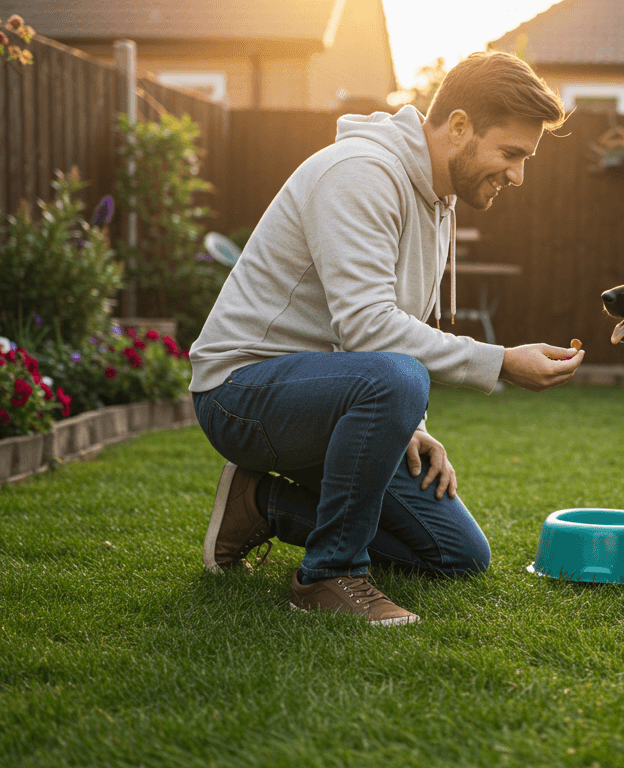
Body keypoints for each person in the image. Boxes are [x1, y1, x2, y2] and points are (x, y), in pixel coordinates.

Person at [188, 52, 582, 627]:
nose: (519, 174)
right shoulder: (361, 173)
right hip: (242, 393)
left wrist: (410, 426)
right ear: (461, 127)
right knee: (398, 378)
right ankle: (329, 575)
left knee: (457, 555)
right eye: (512, 153)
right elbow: (368, 327)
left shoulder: (438, 200)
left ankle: (259, 505)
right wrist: (499, 362)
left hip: (332, 395)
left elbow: (393, 331)